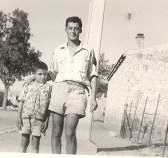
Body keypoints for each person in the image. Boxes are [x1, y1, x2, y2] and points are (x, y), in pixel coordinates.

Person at [48, 16, 98, 154]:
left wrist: (93, 97)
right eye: (70, 28)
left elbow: (93, 75)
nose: (73, 31)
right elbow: (52, 73)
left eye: (76, 28)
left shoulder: (88, 50)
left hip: (77, 92)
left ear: (80, 30)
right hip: (59, 90)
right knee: (56, 132)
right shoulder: (58, 50)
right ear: (66, 29)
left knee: (70, 132)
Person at [17, 61, 52, 153]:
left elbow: (49, 105)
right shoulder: (27, 86)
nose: (42, 77)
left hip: (39, 119)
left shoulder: (48, 88)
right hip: (25, 118)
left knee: (35, 144)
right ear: (34, 74)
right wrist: (18, 117)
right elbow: (21, 101)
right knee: (24, 142)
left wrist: (47, 119)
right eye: (39, 74)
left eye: (45, 74)